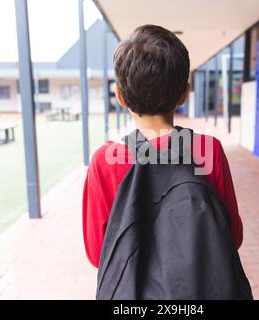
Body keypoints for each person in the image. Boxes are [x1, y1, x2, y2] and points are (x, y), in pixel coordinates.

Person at [82, 24, 243, 268]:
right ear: (184, 94)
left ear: (120, 96)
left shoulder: (105, 161)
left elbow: (98, 254)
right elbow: (233, 237)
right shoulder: (208, 151)